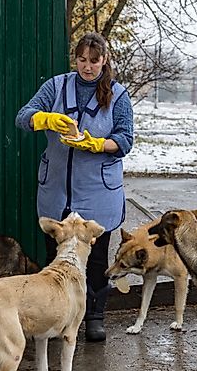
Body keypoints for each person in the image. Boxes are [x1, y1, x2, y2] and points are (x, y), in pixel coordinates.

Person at [16, 32, 133, 341]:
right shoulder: (56, 86)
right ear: (75, 59)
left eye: (94, 61)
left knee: (95, 259)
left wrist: (96, 144)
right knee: (54, 256)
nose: (87, 67)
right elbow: (22, 117)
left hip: (98, 190)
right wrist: (45, 119)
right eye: (82, 60)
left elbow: (125, 140)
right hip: (56, 188)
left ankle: (94, 315)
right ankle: (52, 315)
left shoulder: (118, 96)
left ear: (104, 60)